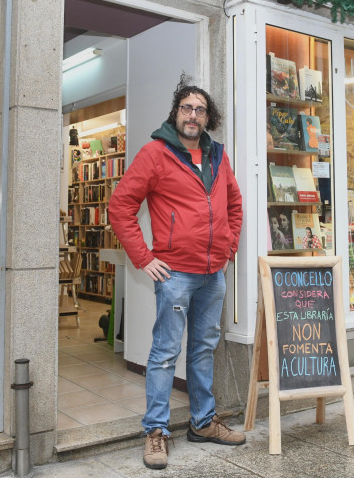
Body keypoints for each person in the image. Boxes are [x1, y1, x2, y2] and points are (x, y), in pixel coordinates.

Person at [107, 79, 245, 470]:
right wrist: (144, 257)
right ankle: (155, 431)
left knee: (203, 349)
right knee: (166, 352)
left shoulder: (218, 155)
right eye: (186, 108)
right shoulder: (155, 154)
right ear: (176, 113)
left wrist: (229, 246)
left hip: (212, 273)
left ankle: (203, 422)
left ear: (208, 117)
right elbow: (121, 206)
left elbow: (235, 204)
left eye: (200, 109)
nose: (193, 115)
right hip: (175, 274)